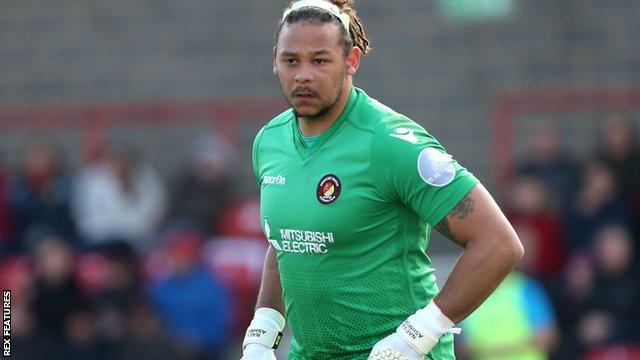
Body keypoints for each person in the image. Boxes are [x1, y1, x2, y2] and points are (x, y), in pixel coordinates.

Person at [242, 1, 523, 359]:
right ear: (275, 62)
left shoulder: (390, 143)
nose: (303, 75)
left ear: (352, 61)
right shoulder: (270, 142)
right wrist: (262, 334)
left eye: (320, 60)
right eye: (291, 60)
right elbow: (287, 240)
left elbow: (499, 243)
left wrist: (415, 338)